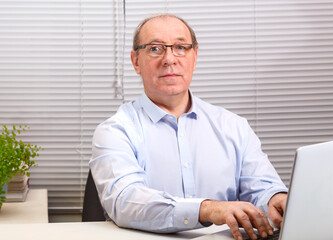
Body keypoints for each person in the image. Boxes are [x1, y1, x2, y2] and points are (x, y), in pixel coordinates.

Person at [90, 13, 288, 240]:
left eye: (180, 47)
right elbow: (125, 201)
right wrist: (208, 209)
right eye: (155, 48)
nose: (169, 59)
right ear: (136, 61)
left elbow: (261, 188)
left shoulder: (234, 127)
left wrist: (275, 199)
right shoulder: (115, 131)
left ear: (194, 56)